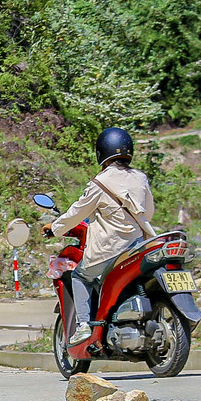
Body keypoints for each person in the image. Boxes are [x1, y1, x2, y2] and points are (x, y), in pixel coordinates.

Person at [49, 127, 155, 346]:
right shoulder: (140, 178)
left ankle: (83, 325)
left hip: (109, 250)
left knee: (80, 277)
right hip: (138, 247)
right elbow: (149, 212)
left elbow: (77, 212)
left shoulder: (100, 183)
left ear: (101, 152)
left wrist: (55, 228)